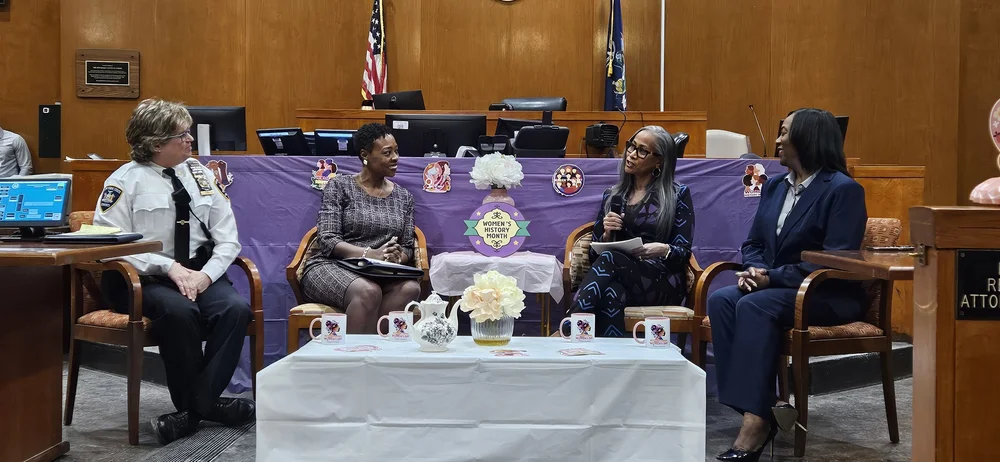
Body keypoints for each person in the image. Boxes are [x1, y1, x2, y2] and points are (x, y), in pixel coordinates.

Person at [707, 108, 867, 461]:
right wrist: (755, 269)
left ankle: (756, 423)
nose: (777, 140)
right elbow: (754, 243)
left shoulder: (843, 190)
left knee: (753, 304)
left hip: (826, 293)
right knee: (722, 300)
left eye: (784, 132)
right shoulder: (776, 186)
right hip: (779, 289)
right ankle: (763, 406)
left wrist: (771, 277)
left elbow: (834, 259)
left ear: (808, 139)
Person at [94, 99, 254, 445]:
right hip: (142, 278)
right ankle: (209, 406)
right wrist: (168, 267)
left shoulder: (199, 174)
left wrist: (205, 275)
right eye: (182, 135)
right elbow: (112, 244)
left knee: (235, 309)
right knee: (180, 312)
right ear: (155, 144)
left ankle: (193, 412)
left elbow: (228, 238)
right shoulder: (123, 182)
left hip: (198, 271)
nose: (190, 140)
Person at [566, 125, 695, 337]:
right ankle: (612, 356)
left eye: (642, 151)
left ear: (659, 161)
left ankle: (569, 325)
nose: (632, 154)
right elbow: (594, 256)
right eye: (631, 146)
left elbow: (683, 252)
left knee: (610, 259)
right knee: (611, 293)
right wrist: (607, 234)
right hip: (620, 276)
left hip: (660, 281)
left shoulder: (677, 194)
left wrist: (662, 249)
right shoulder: (613, 195)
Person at [300, 123, 421, 334]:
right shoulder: (339, 186)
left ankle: (377, 350)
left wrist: (396, 257)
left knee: (410, 288)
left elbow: (408, 247)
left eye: (396, 151)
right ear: (365, 155)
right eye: (387, 153)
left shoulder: (404, 197)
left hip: (381, 270)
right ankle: (353, 354)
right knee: (368, 291)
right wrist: (370, 254)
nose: (395, 158)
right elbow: (328, 239)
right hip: (333, 265)